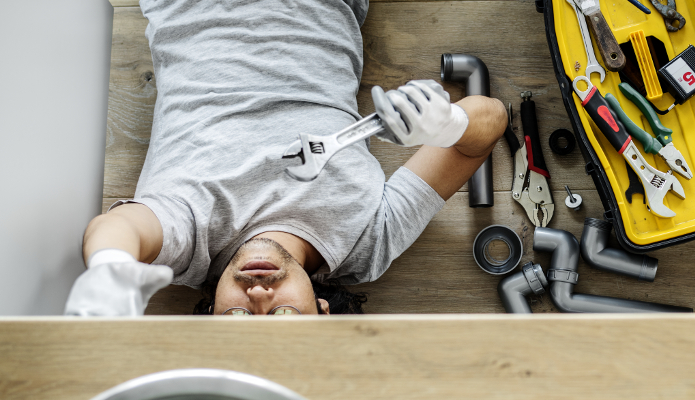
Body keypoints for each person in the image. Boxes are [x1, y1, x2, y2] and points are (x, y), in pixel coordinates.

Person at [64, 0, 507, 316]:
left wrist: (110, 267)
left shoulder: (187, 245)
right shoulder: (368, 240)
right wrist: (447, 124)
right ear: (321, 312)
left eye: (237, 320)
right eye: (282, 319)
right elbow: (490, 122)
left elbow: (117, 228)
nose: (258, 296)